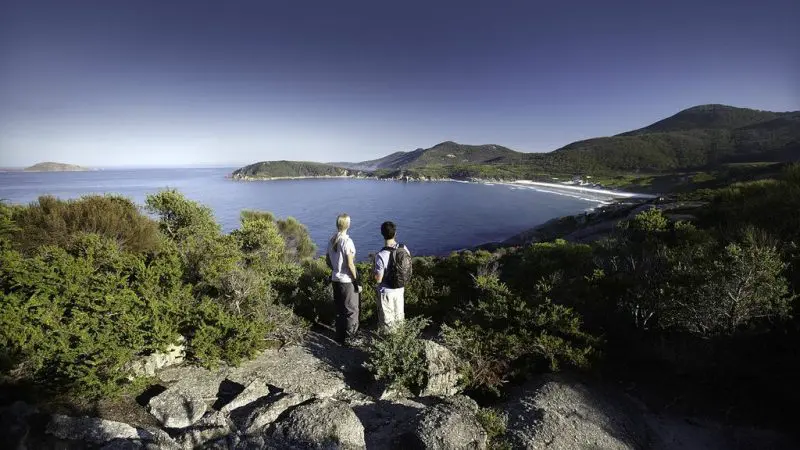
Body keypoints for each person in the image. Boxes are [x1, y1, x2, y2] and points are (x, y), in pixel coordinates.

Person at [326, 213, 360, 345]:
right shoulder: (347, 241)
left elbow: (328, 260)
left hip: (335, 279)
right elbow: (350, 264)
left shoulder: (332, 240)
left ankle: (339, 337)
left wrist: (335, 269)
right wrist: (356, 280)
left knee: (339, 309)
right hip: (347, 281)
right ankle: (351, 338)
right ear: (348, 225)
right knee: (352, 310)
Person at [373, 221, 412, 330]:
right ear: (395, 233)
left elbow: (378, 279)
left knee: (388, 323)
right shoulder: (404, 248)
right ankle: (401, 342)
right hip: (400, 289)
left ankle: (389, 344)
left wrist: (374, 273)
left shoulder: (381, 255)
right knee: (399, 318)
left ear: (382, 234)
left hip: (387, 292)